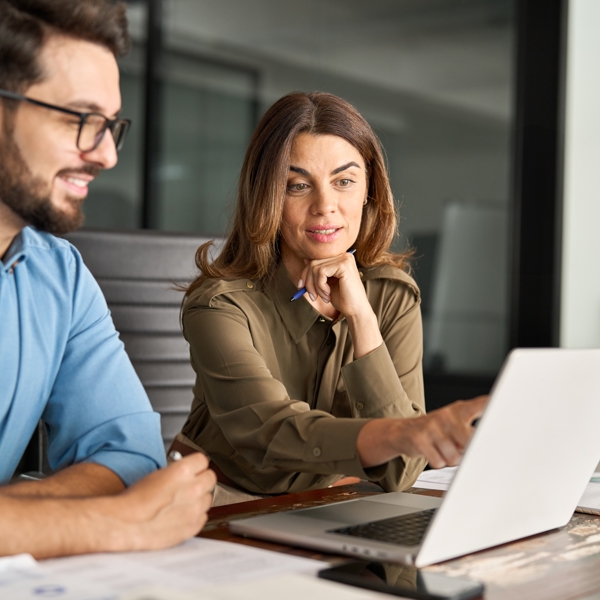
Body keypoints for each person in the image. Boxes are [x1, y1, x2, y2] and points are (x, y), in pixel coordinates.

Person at [172, 91, 486, 505]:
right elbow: (271, 434)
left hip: (333, 503)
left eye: (344, 181)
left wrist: (362, 318)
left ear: (368, 191)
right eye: (298, 185)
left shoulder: (391, 295)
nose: (325, 206)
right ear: (267, 196)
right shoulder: (219, 308)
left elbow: (401, 470)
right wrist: (403, 434)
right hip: (221, 502)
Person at [0, 0, 215, 558]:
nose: (108, 155)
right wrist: (105, 524)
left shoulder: (58, 275)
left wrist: (21, 522)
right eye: (80, 119)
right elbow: (124, 504)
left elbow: (129, 457)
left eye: (111, 124)